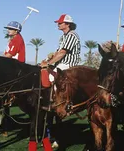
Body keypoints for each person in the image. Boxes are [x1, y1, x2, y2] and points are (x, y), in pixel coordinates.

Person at [38, 14, 81, 151]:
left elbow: (62, 53)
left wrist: (49, 64)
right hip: (61, 65)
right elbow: (57, 52)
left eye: (60, 22)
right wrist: (47, 60)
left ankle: (55, 102)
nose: (58, 24)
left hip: (69, 66)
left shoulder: (72, 35)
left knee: (50, 78)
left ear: (67, 24)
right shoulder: (62, 37)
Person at [0, 21, 26, 136]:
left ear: (16, 31)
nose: (8, 30)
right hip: (11, 66)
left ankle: (9, 99)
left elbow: (9, 56)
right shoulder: (12, 40)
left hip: (16, 67)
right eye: (8, 28)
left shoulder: (17, 39)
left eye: (10, 29)